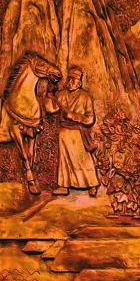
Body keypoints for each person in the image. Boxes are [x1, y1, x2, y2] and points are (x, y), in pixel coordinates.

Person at [45, 66, 99, 196]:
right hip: (64, 131)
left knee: (82, 159)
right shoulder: (61, 94)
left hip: (77, 132)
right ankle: (63, 185)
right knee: (64, 159)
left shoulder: (85, 97)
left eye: (73, 80)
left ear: (79, 83)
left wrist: (74, 116)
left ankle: (91, 184)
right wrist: (48, 96)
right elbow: (51, 109)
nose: (70, 82)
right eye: (69, 79)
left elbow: (90, 119)